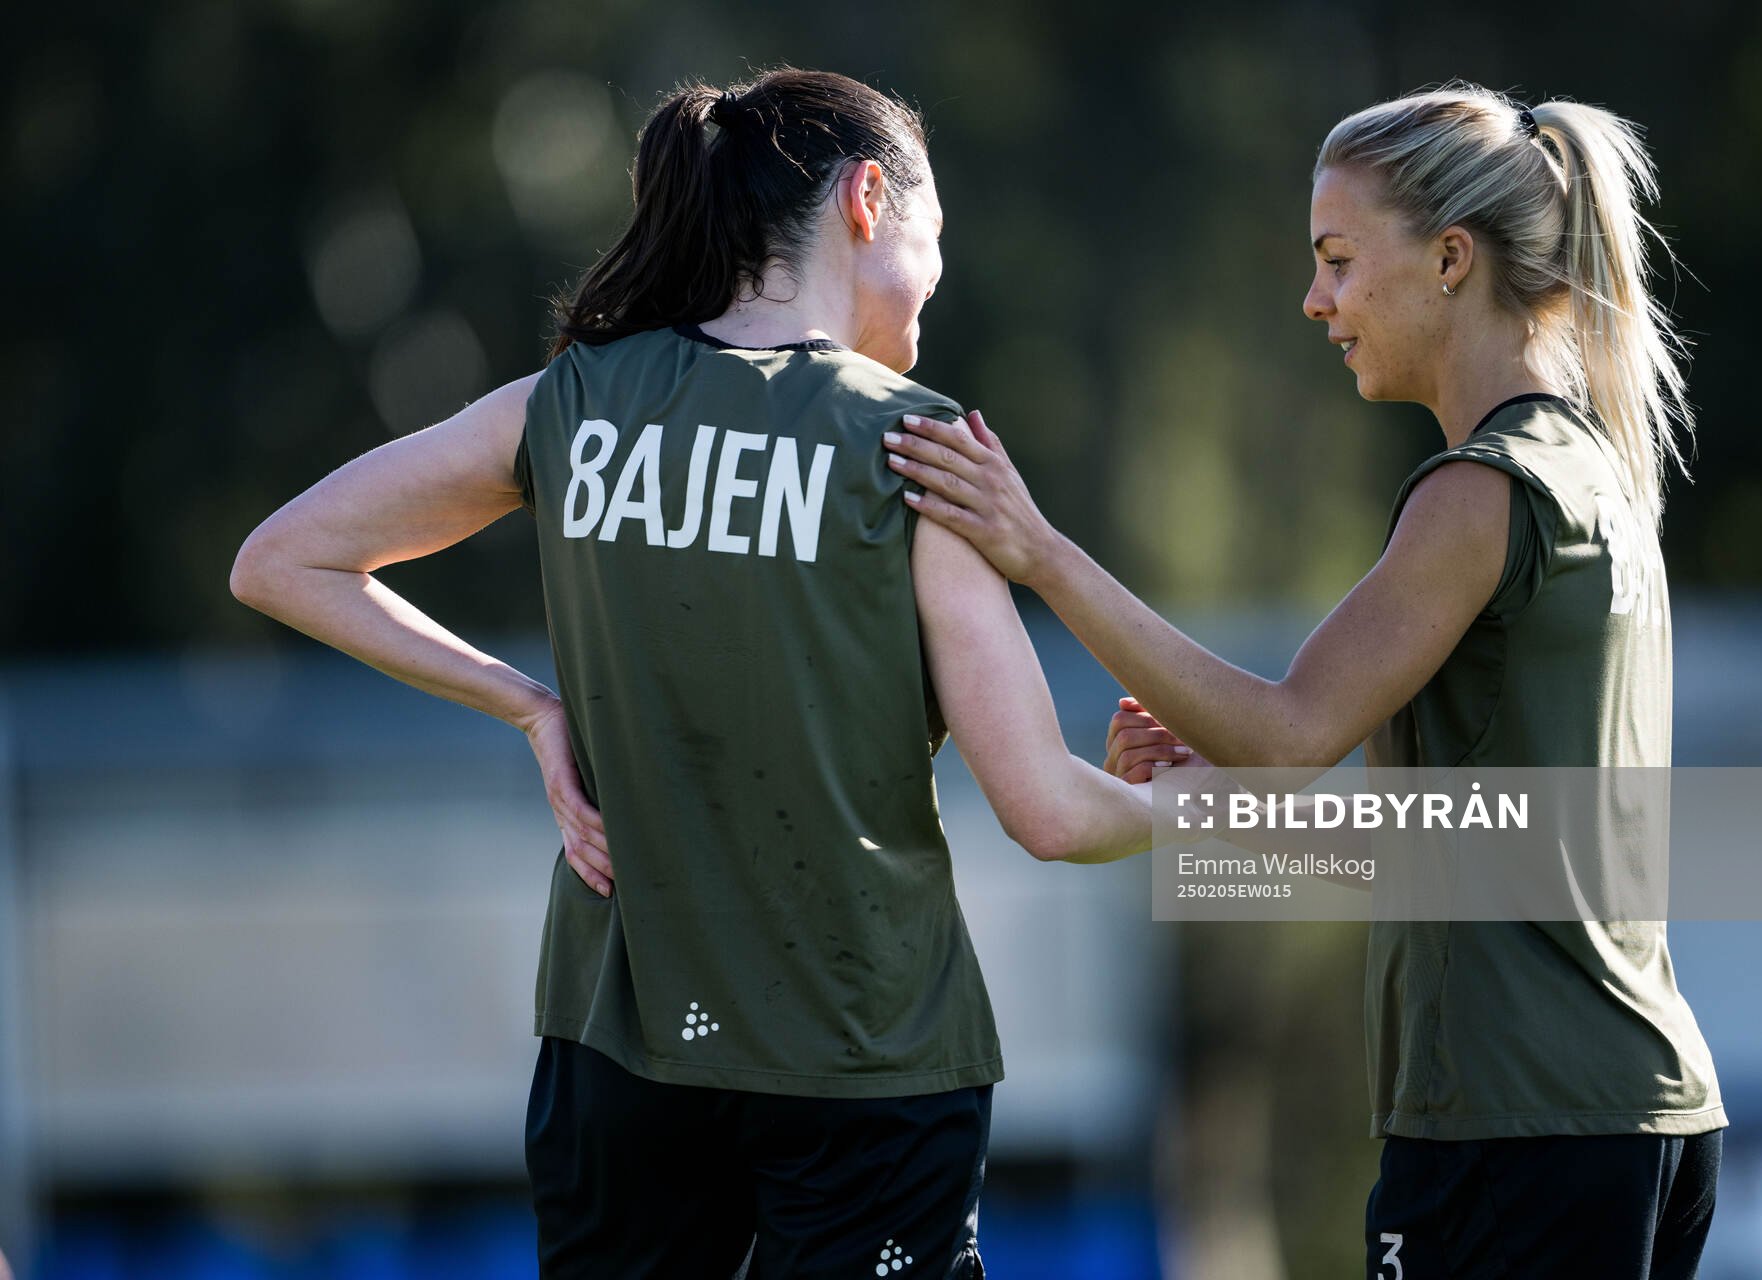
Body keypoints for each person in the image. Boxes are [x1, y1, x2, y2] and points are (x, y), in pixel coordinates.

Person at [231, 68, 1149, 1279]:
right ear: (870, 200)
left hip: (619, 1059)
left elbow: (282, 560)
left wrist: (527, 706)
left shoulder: (568, 405)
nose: (938, 276)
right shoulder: (919, 452)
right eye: (937, 236)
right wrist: (1191, 813)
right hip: (861, 1061)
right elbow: (1044, 808)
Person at [882, 84, 1725, 1278]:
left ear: (1448, 259)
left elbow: (1289, 732)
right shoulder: (1591, 479)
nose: (1316, 299)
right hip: (1640, 1110)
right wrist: (1195, 807)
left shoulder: (1479, 492)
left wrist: (1038, 552)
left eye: (1337, 260)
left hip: (1517, 1122)